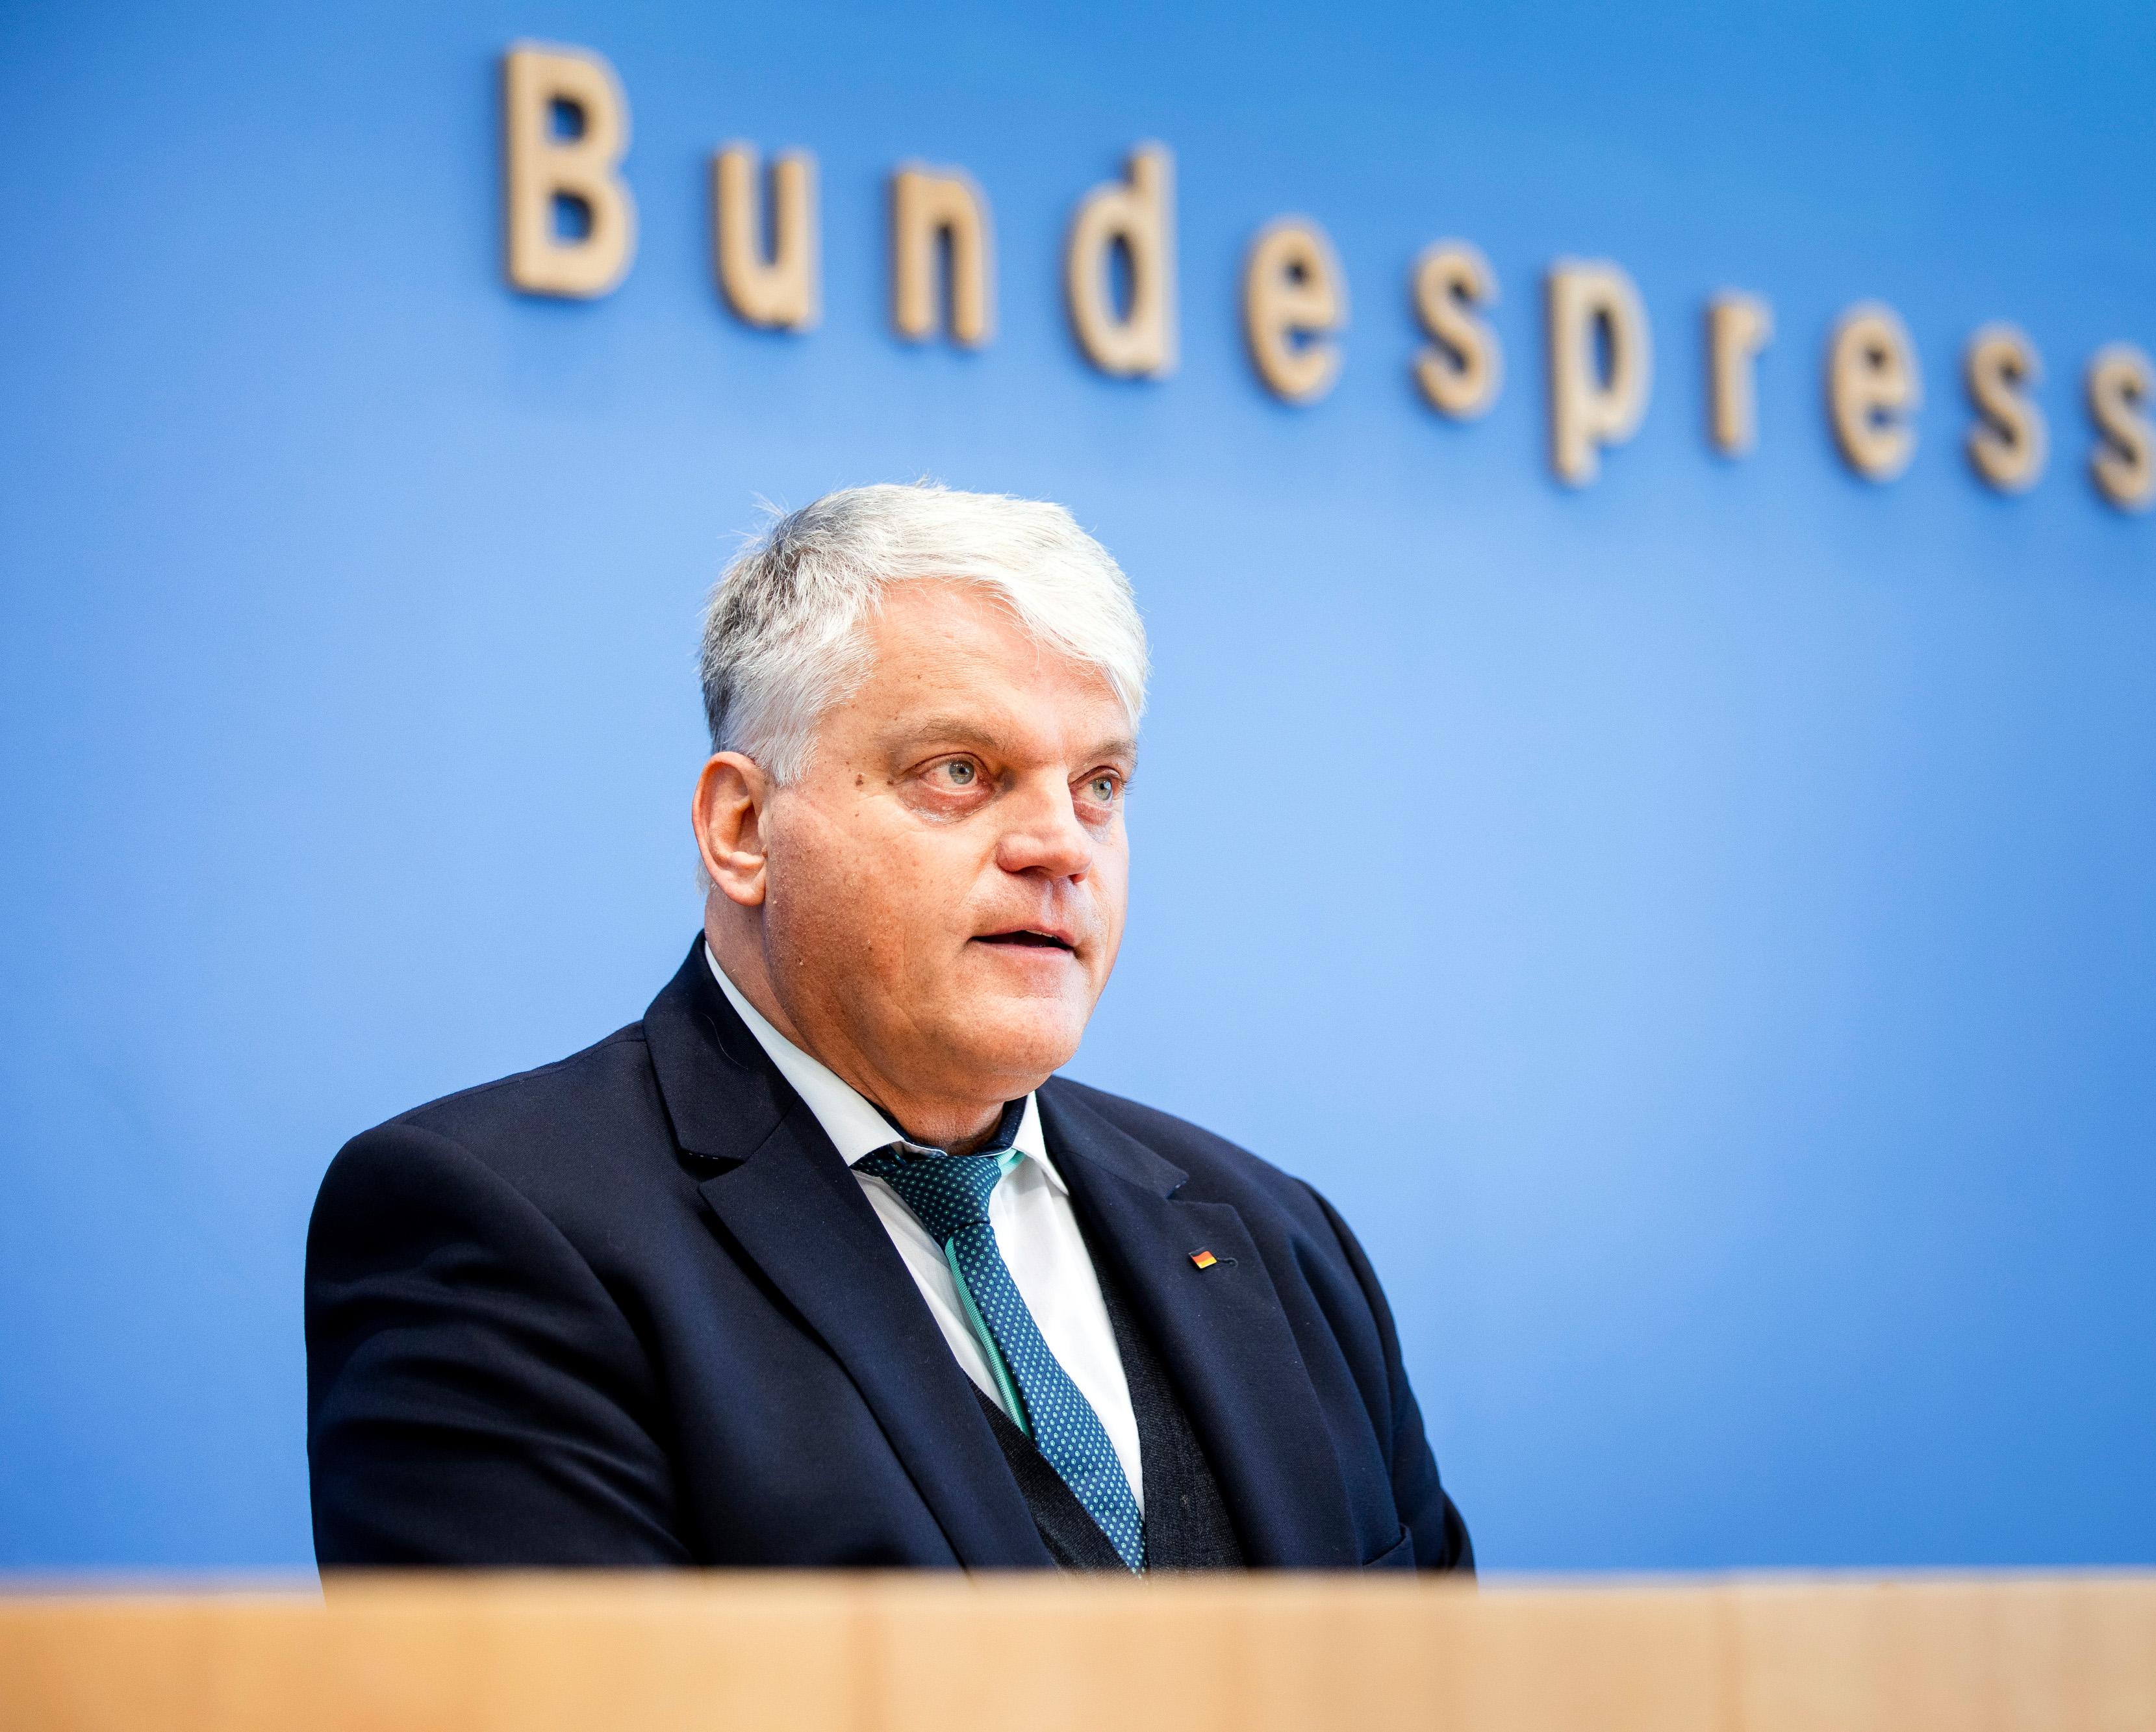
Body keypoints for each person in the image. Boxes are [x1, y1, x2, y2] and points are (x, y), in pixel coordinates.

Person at [305, 483, 1469, 1571]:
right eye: (962, 771)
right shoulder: (499, 1231)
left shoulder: (1282, 1237)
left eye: (1099, 785)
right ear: (744, 826)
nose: (1060, 845)